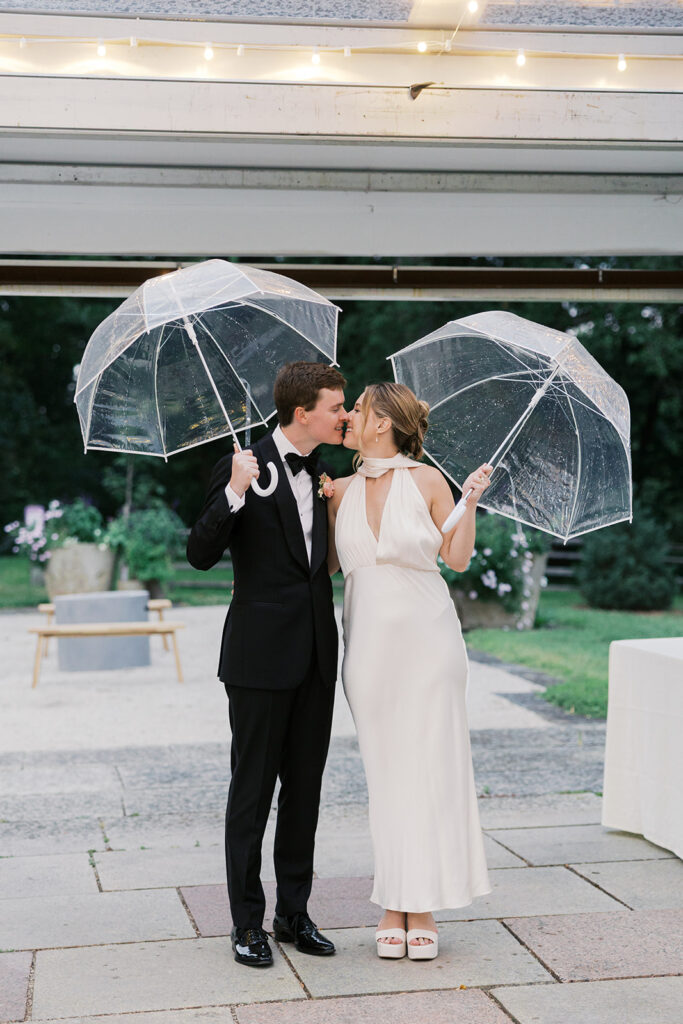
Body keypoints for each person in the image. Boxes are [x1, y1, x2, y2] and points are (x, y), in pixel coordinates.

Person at [187, 362, 347, 968]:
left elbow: (321, 566)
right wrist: (233, 491)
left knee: (305, 788)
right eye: (337, 406)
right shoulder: (242, 464)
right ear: (302, 412)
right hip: (256, 659)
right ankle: (246, 923)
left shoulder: (326, 473)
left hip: (315, 655)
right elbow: (199, 553)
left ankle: (293, 914)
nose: (345, 414)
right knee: (251, 793)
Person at [327, 382, 492, 960]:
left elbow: (458, 558)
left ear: (380, 425)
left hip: (429, 642)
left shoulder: (428, 481)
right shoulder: (338, 489)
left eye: (358, 409)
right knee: (387, 775)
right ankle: (397, 896)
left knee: (427, 769)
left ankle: (412, 906)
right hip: (368, 650)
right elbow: (324, 563)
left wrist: (468, 502)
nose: (347, 415)